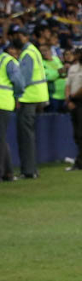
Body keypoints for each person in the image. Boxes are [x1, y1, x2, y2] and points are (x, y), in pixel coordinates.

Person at [11, 25, 47, 178]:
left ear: (26, 37)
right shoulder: (33, 51)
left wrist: (17, 96)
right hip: (35, 97)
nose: (16, 38)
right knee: (28, 135)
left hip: (28, 98)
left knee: (25, 136)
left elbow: (23, 79)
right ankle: (31, 169)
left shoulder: (27, 53)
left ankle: (29, 171)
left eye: (19, 35)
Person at [0, 41, 18, 181]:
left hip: (3, 102)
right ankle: (8, 172)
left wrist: (18, 96)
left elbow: (18, 81)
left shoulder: (6, 60)